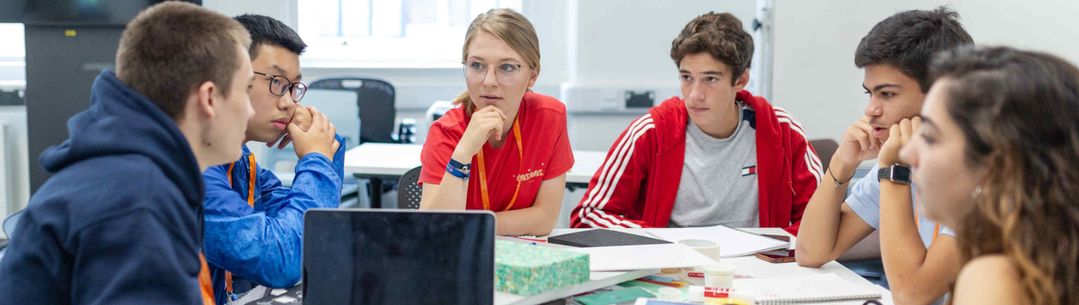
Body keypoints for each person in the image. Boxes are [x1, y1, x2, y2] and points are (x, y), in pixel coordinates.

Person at [0, 2, 254, 304]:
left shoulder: (130, 172)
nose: (250, 111)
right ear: (209, 98)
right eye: (246, 89)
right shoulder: (138, 201)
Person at [570, 12, 821, 233]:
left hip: (760, 272)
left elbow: (820, 222)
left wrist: (773, 250)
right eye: (686, 77)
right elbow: (587, 217)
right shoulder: (650, 132)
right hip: (673, 270)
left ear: (741, 80)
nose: (694, 95)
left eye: (710, 79)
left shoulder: (783, 131)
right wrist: (662, 241)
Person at [794, 7, 973, 305]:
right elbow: (812, 252)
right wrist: (843, 162)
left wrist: (893, 170)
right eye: (870, 94)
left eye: (887, 94)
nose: (871, 110)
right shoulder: (902, 159)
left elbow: (912, 295)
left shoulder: (986, 175)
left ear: (943, 93)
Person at [899, 46, 1079, 305]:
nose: (907, 153)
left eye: (928, 137)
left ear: (998, 165)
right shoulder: (1048, 261)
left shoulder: (993, 276)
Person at [200, 14, 345, 304]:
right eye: (277, 82)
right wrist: (317, 157)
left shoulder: (240, 161)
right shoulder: (196, 166)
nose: (289, 102)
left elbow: (310, 233)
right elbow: (280, 259)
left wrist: (327, 145)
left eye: (294, 88)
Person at [419, 8, 573, 236]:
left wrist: (471, 225)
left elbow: (545, 219)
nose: (489, 81)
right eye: (477, 65)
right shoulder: (446, 131)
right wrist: (463, 153)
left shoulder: (550, 116)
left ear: (532, 75)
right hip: (459, 259)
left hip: (524, 257)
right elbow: (437, 230)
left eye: (507, 67)